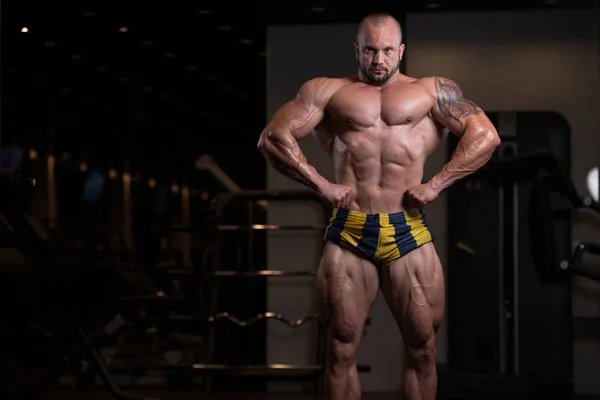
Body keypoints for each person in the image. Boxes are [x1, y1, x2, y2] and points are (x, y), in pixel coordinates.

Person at [257, 12, 501, 400]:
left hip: (408, 230)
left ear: (401, 50)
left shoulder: (431, 91)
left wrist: (436, 184)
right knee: (339, 347)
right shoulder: (327, 91)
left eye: (387, 50)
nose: (378, 60)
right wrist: (321, 185)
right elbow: (272, 138)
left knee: (422, 349)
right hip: (350, 230)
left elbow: (485, 136)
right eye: (370, 50)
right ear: (357, 49)